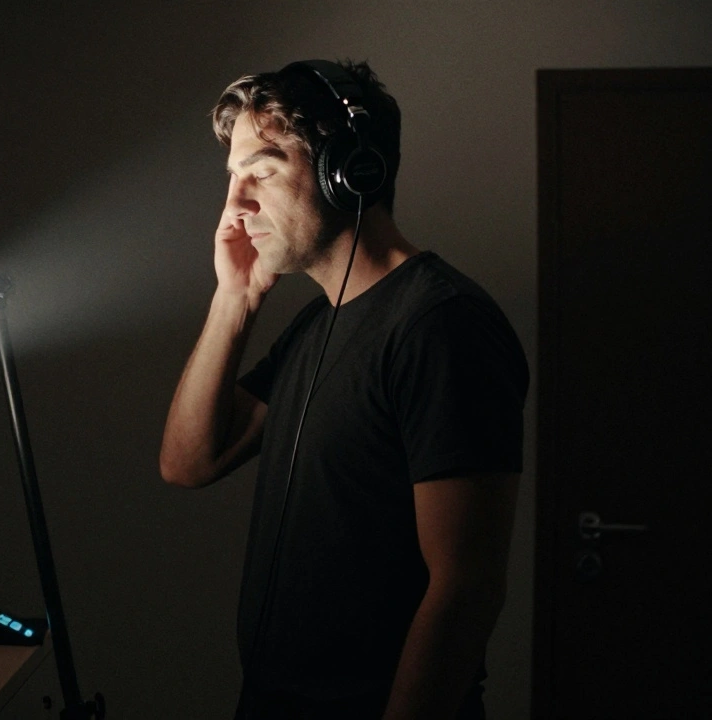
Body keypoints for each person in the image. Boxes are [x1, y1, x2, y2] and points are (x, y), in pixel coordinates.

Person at [159, 59, 528, 720]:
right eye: (232, 178)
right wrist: (233, 300)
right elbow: (189, 462)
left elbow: (465, 586)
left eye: (262, 172)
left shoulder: (440, 325)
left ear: (350, 171)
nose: (235, 206)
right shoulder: (316, 325)